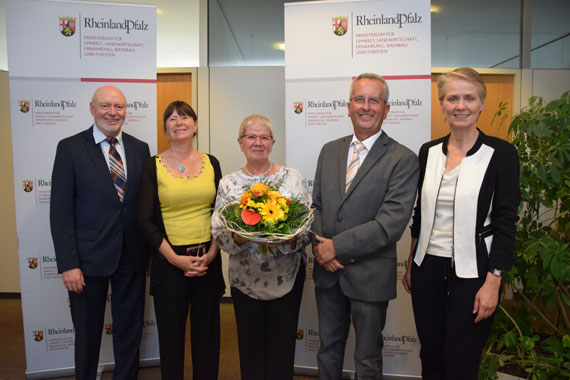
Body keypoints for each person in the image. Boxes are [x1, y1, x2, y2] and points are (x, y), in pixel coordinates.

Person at [402, 67, 520, 380]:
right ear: (441, 103)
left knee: (462, 359)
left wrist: (494, 282)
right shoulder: (428, 153)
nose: (460, 105)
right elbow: (421, 214)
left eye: (469, 98)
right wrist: (412, 263)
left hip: (474, 275)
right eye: (452, 98)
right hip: (427, 270)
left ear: (482, 103)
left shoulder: (501, 155)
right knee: (431, 356)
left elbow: (507, 222)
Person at [312, 73, 419, 380]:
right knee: (327, 350)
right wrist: (323, 250)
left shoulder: (403, 159)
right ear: (348, 107)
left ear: (386, 109)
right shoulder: (329, 150)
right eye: (360, 99)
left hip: (369, 275)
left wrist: (336, 247)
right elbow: (316, 206)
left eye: (375, 100)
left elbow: (390, 224)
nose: (366, 106)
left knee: (367, 357)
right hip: (327, 273)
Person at [50, 85, 150, 380]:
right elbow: (61, 212)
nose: (112, 112)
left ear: (125, 111)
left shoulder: (139, 148)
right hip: (87, 260)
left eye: (118, 106)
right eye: (105, 106)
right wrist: (69, 264)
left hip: (131, 256)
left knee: (129, 331)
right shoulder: (70, 148)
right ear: (92, 109)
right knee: (87, 333)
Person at [211, 114, 311, 380]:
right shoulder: (228, 184)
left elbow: (307, 230)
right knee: (250, 350)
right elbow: (218, 233)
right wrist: (241, 237)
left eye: (264, 137)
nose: (258, 142)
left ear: (272, 142)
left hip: (287, 279)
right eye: (251, 137)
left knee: (282, 351)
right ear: (240, 142)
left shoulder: (293, 178)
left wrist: (288, 238)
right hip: (245, 282)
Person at [137, 101, 225, 380]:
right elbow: (144, 220)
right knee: (171, 342)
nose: (179, 122)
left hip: (206, 261)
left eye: (185, 117)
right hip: (168, 263)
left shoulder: (212, 163)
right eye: (172, 118)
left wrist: (211, 255)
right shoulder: (152, 165)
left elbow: (222, 213)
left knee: (207, 340)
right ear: (165, 128)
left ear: (196, 125)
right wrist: (174, 258)